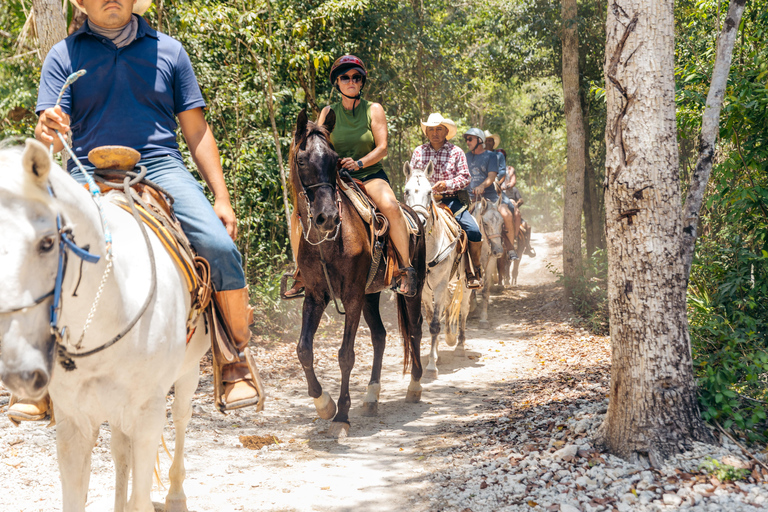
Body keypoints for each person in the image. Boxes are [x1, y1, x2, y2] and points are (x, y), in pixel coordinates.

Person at [11, 0, 261, 423]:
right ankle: (36, 372)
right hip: (86, 168)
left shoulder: (170, 51)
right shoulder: (63, 55)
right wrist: (46, 131)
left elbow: (196, 130)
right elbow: (50, 137)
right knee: (38, 249)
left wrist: (221, 195)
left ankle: (232, 357)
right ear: (83, 4)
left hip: (161, 165)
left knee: (218, 246)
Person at [284, 55, 417, 297]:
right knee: (298, 212)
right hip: (336, 179)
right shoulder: (327, 112)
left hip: (369, 176)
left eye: (356, 77)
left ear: (362, 82)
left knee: (391, 206)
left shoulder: (373, 109)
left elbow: (382, 147)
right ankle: (300, 273)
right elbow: (318, 145)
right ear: (337, 82)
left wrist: (359, 163)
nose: (351, 81)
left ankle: (404, 269)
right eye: (345, 77)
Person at [409, 113, 483, 288]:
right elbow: (412, 177)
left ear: (446, 131)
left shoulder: (455, 152)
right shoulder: (419, 152)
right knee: (405, 230)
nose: (435, 133)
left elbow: (465, 177)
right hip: (423, 202)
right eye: (431, 129)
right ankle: (403, 272)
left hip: (451, 201)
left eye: (439, 129)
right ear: (427, 132)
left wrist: (447, 184)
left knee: (473, 231)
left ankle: (473, 271)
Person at [463, 128, 517, 261]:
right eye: (466, 139)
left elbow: (492, 176)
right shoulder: (465, 156)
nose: (467, 142)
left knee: (506, 214)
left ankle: (510, 249)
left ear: (479, 140)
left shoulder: (492, 156)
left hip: (491, 196)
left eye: (470, 139)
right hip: (470, 198)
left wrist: (482, 185)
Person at [484, 131, 518, 260]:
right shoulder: (475, 156)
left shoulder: (498, 156)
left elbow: (502, 173)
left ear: (493, 143)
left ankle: (510, 248)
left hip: (495, 191)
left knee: (507, 213)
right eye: (485, 140)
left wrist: (496, 183)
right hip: (478, 193)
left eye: (490, 140)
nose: (487, 143)